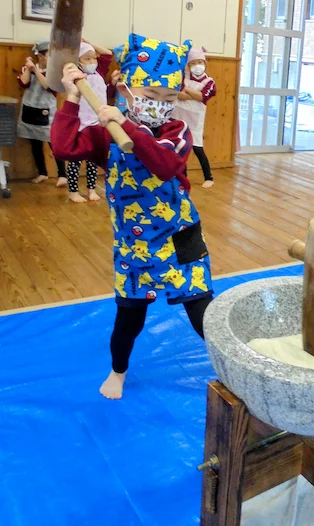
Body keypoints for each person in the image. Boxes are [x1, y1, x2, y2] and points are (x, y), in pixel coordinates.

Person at [52, 33, 213, 401]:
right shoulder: (107, 135)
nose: (160, 105)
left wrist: (128, 128)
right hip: (135, 245)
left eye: (169, 99)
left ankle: (236, 366)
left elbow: (164, 164)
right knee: (129, 318)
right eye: (151, 95)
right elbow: (64, 147)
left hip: (180, 239)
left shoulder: (177, 132)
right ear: (125, 90)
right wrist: (72, 98)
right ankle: (118, 371)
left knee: (201, 310)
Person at [66, 40, 113, 203]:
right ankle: (73, 191)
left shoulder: (99, 72)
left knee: (93, 159)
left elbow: (107, 54)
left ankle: (91, 189)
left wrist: (88, 42)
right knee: (75, 159)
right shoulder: (76, 74)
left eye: (94, 58)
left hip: (96, 122)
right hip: (79, 123)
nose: (92, 61)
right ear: (78, 61)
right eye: (87, 58)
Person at [17, 40, 67, 187]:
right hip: (30, 108)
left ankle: (62, 175)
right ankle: (42, 173)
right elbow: (24, 83)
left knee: (53, 142)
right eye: (49, 54)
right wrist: (29, 68)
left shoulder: (55, 72)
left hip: (47, 111)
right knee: (35, 142)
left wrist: (36, 70)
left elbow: (48, 86)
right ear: (40, 56)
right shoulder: (29, 67)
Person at [174, 47, 216, 188]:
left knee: (198, 148)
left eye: (200, 62)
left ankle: (208, 177)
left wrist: (188, 91)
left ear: (205, 63)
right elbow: (179, 95)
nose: (197, 66)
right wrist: (193, 94)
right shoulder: (183, 77)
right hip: (179, 117)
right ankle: (182, 177)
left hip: (195, 120)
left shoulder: (209, 82)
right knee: (180, 148)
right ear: (189, 65)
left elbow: (202, 97)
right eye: (193, 63)